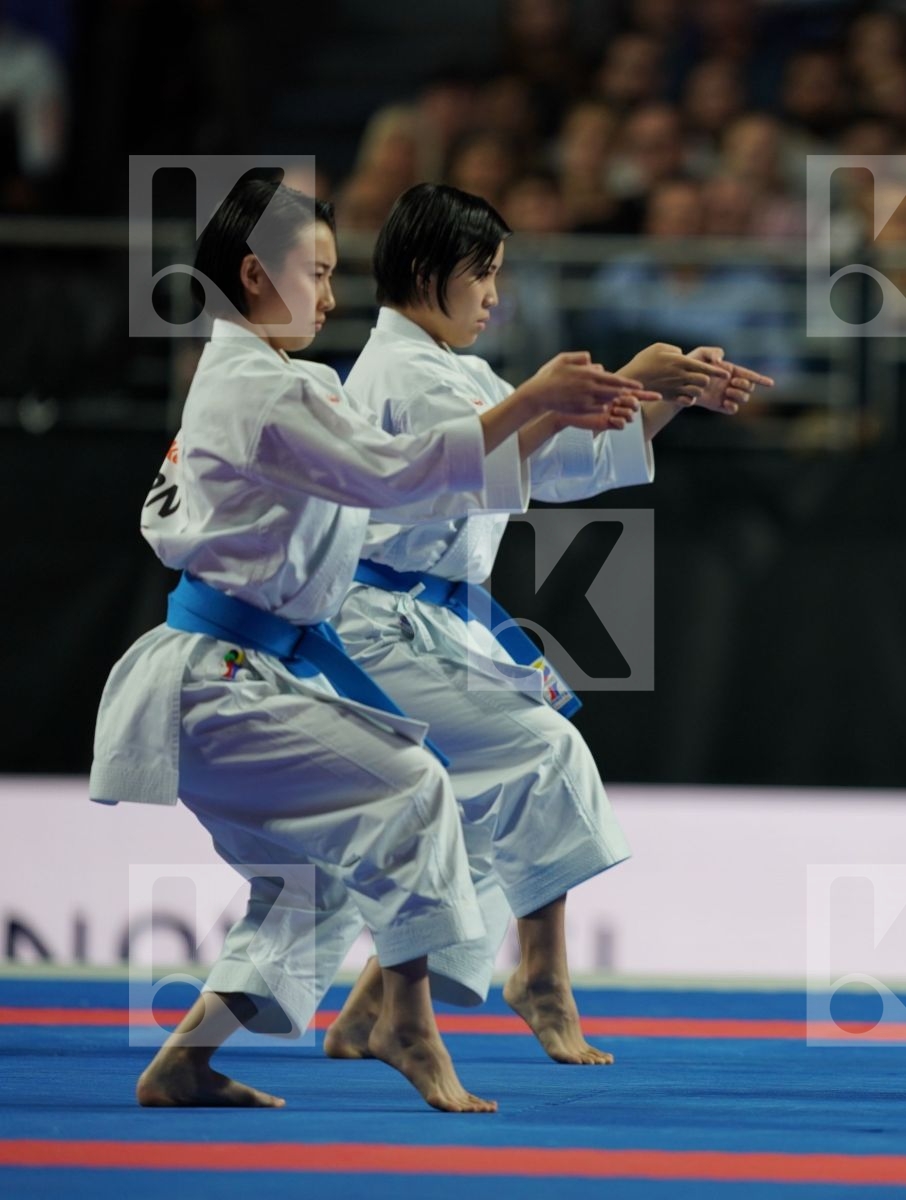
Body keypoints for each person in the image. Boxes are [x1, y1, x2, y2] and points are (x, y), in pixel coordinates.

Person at [89, 176, 643, 1112]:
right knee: (416, 783)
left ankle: (185, 1059)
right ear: (257, 275)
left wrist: (553, 405)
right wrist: (538, 399)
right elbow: (393, 477)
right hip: (225, 673)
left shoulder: (267, 381)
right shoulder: (260, 389)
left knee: (311, 878)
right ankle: (406, 1023)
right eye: (317, 272)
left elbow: (403, 477)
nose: (334, 295)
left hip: (252, 665)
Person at [304, 183, 766, 1066]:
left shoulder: (460, 370)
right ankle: (542, 978)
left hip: (431, 622)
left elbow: (567, 470)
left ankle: (372, 1008)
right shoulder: (399, 370)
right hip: (373, 623)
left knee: (476, 811)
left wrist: (666, 395)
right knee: (542, 754)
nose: (494, 296)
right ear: (426, 273)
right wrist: (618, 380)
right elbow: (462, 467)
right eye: (483, 276)